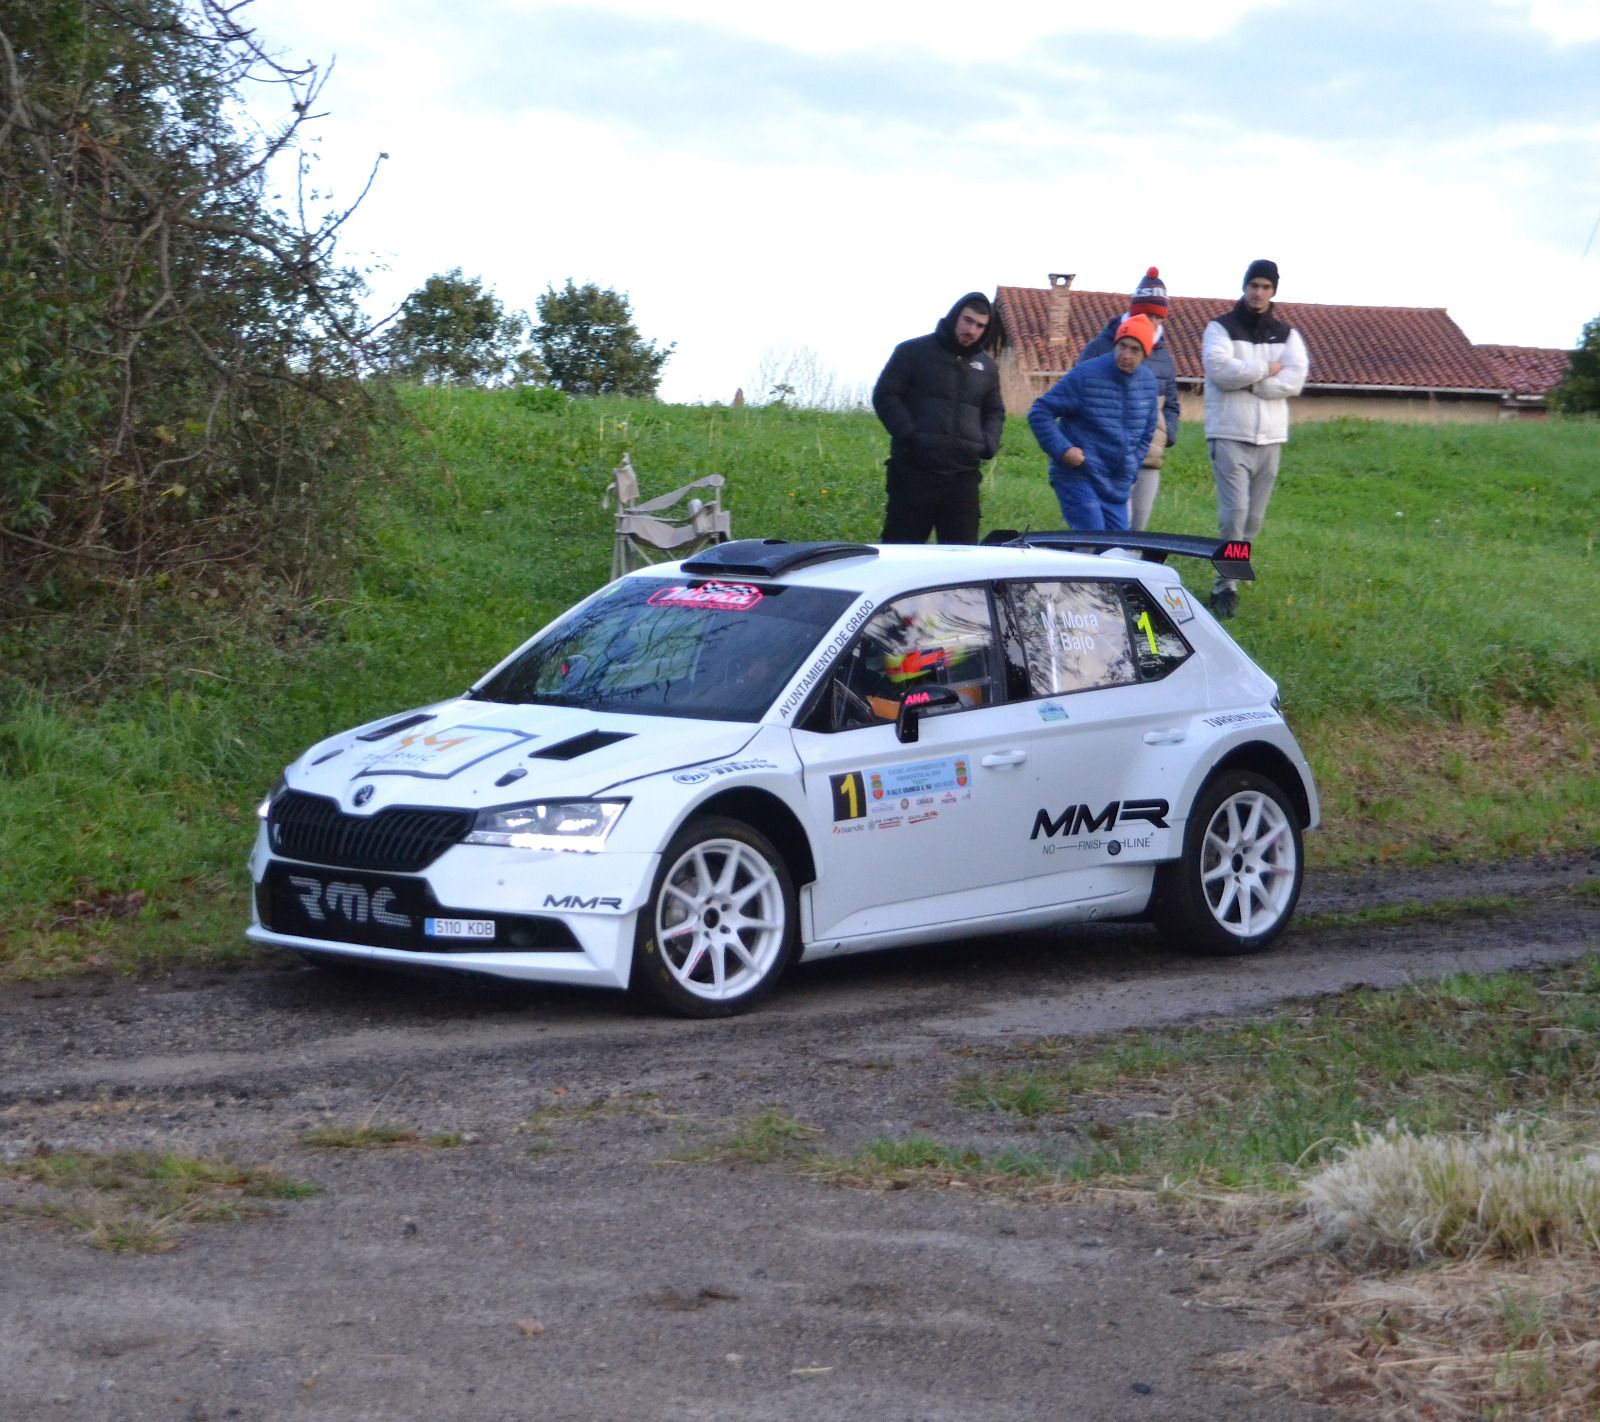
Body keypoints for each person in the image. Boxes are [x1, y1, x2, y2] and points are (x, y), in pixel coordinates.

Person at [1201, 259, 1310, 619]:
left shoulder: (1286, 335)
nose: (1258, 292)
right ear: (1244, 286)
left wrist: (1253, 384)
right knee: (1235, 514)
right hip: (1229, 433)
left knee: (1254, 520)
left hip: (1270, 438)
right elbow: (1220, 371)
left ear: (1273, 291)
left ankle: (1233, 570)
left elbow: (1295, 379)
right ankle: (1225, 586)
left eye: (1265, 287)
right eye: (1254, 285)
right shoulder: (1220, 328)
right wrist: (1266, 369)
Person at [871, 292, 1006, 544]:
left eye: (979, 326)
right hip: (914, 473)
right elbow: (885, 395)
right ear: (955, 317)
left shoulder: (987, 367)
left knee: (961, 558)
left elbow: (995, 411)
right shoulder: (912, 352)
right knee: (902, 552)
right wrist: (910, 435)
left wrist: (987, 444)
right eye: (967, 320)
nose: (971, 330)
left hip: (963, 478)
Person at [1027, 314, 1159, 532]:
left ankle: (1061, 551)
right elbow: (1040, 411)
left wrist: (1132, 464)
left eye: (1135, 350)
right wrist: (1063, 450)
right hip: (1078, 475)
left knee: (1116, 548)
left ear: (1146, 353)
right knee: (1091, 534)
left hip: (1116, 484)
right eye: (1122, 346)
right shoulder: (1086, 375)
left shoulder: (1148, 384)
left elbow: (1147, 433)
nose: (1126, 355)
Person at [1073, 266, 1179, 530]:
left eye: (1157, 316)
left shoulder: (1165, 358)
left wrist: (1166, 435)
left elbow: (1172, 404)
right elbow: (1075, 393)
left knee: (1137, 530)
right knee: (1107, 531)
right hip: (1107, 458)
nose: (1151, 321)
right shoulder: (1100, 347)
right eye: (1145, 314)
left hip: (1148, 460)